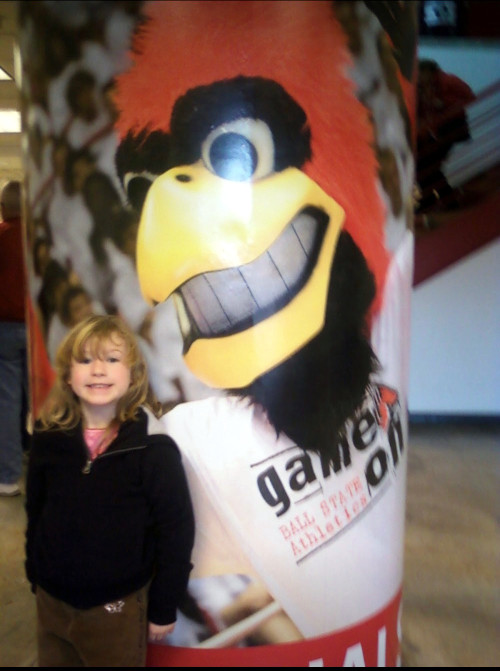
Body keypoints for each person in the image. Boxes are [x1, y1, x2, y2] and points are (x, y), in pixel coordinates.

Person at [25, 314, 195, 667]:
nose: (98, 370)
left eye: (112, 359)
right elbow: (36, 510)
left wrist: (163, 607)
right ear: (69, 375)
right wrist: (34, 573)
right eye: (85, 360)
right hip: (51, 605)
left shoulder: (153, 451)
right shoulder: (49, 439)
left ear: (132, 375)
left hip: (115, 611)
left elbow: (176, 533)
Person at [416, 59, 476, 212]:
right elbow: (423, 113)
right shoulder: (422, 89)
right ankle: (442, 200)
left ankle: (436, 201)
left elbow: (470, 97)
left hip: (452, 128)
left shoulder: (448, 81)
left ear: (429, 72)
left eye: (421, 73)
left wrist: (444, 103)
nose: (419, 77)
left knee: (428, 164)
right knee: (425, 164)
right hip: (437, 131)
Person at [0, 180, 29, 497]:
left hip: (4, 328)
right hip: (36, 329)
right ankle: (28, 448)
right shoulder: (38, 238)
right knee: (33, 396)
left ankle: (7, 477)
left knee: (7, 401)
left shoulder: (2, 234)